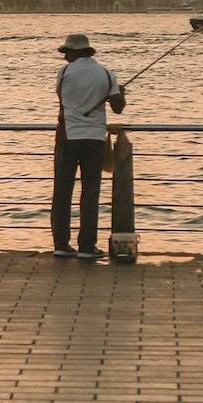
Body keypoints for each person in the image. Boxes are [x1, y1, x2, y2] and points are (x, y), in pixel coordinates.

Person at [51, 33, 124, 260]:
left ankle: (62, 244)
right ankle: (87, 246)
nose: (65, 58)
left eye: (67, 53)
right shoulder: (106, 73)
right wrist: (121, 93)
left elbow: (61, 97)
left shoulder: (64, 73)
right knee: (90, 194)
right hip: (94, 139)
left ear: (74, 53)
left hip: (67, 137)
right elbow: (118, 108)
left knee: (62, 193)